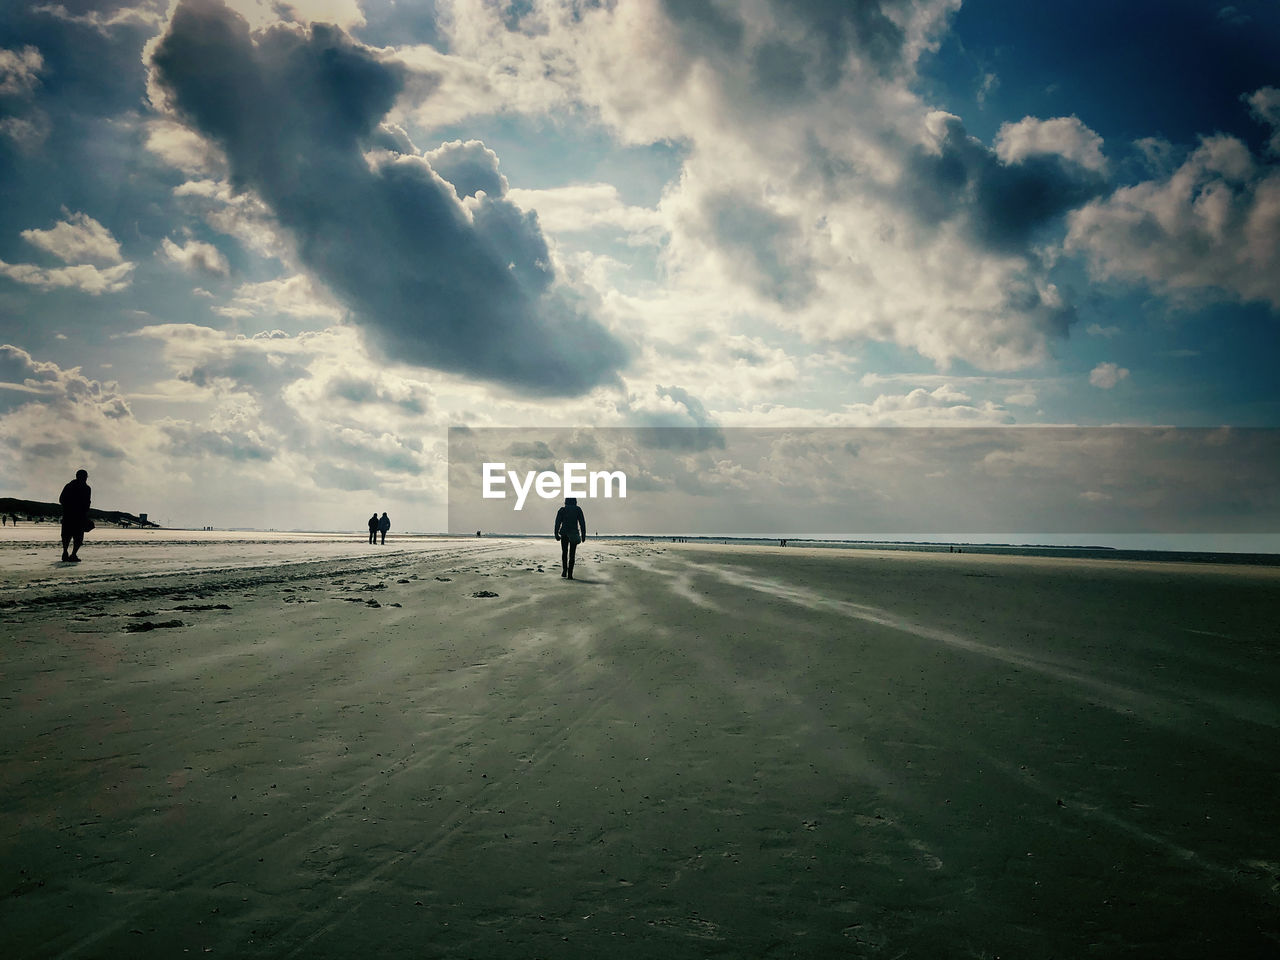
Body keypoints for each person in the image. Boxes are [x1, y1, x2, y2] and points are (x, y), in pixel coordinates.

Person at [59, 468, 92, 562]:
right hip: (79, 516)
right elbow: (87, 503)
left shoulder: (69, 486)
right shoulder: (87, 488)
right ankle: (73, 554)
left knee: (66, 535)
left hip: (68, 515)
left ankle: (65, 552)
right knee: (78, 537)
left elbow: (61, 500)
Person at [554, 496, 586, 579]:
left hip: (564, 533)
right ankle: (570, 574)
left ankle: (564, 570)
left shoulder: (562, 510)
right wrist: (583, 535)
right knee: (572, 554)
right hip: (574, 533)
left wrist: (556, 534)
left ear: (565, 502)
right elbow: (582, 522)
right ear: (575, 502)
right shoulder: (578, 509)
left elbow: (557, 522)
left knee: (564, 552)